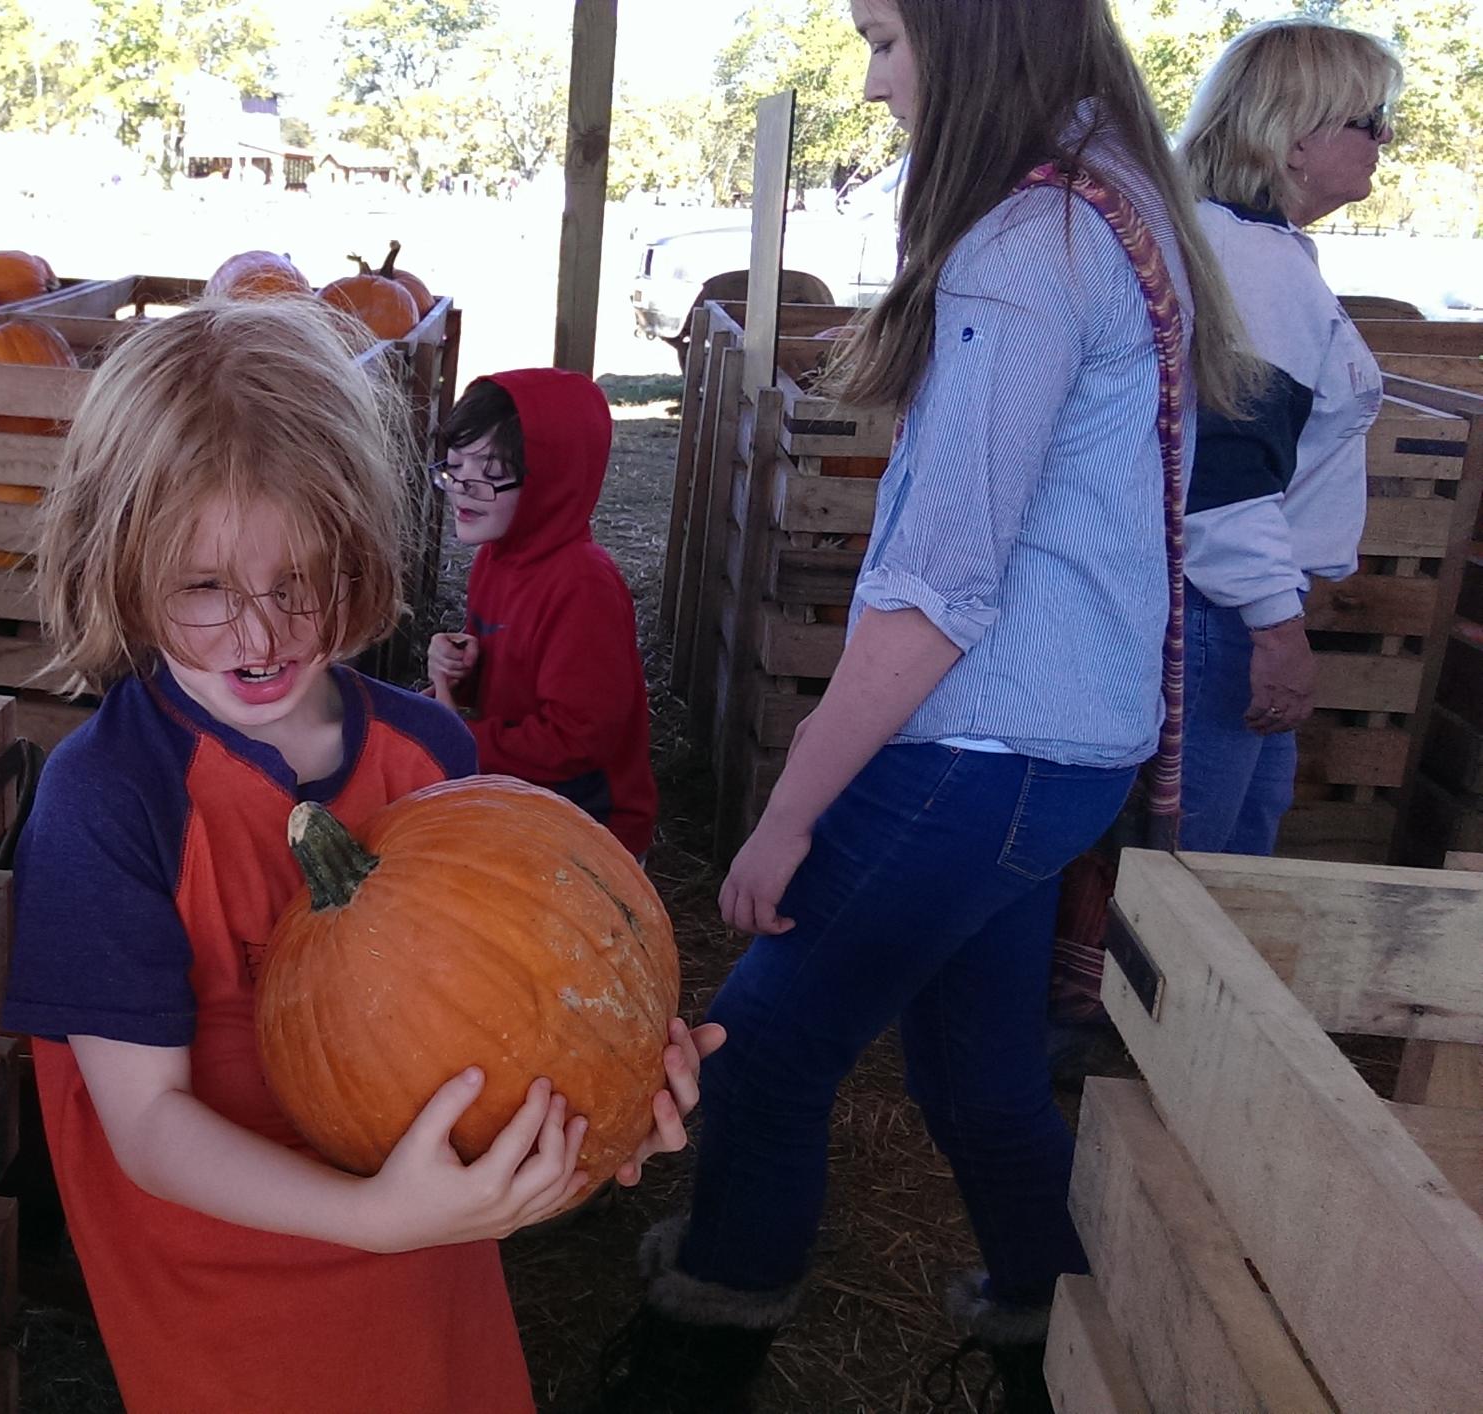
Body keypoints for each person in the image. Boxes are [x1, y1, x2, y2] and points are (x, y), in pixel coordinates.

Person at [593, 2, 1258, 1411]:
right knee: (977, 1078)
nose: (876, 78)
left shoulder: (1026, 248)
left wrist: (787, 812)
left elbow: (939, 587)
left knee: (767, 1048)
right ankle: (1056, 1347)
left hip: (979, 747)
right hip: (1061, 749)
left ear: (978, 35)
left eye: (891, 38)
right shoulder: (1116, 200)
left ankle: (696, 1359)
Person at [0, 296, 723, 1414]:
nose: (260, 633)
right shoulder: (111, 800)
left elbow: (513, 989)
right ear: (118, 563)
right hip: (227, 1301)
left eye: (301, 582)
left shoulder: (427, 751)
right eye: (203, 588)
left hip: (425, 1266)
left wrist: (612, 1081)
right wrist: (370, 1214)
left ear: (359, 546)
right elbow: (145, 1123)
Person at [1172, 20, 1396, 855]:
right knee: (1192, 883)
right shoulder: (1255, 267)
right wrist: (1275, 628)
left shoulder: (1250, 248)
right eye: (1370, 120)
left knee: (1225, 857)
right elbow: (1224, 479)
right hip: (1225, 611)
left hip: (1228, 605)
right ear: (1299, 137)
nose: (1385, 140)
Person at [425, 370, 659, 861]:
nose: (465, 487)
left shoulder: (583, 588)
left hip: (587, 828)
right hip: (524, 795)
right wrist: (463, 671)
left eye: (490, 472)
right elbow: (509, 673)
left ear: (549, 481)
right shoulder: (497, 558)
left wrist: (458, 739)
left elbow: (578, 738)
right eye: (455, 464)